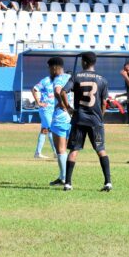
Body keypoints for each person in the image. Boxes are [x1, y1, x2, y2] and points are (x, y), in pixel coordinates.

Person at [62, 52, 112, 192]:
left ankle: (68, 183)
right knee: (101, 150)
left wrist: (69, 109)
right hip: (95, 120)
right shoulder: (102, 80)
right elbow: (104, 102)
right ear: (94, 63)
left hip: (79, 119)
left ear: (83, 62)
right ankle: (108, 182)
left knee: (74, 150)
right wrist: (100, 116)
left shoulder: (76, 76)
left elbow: (62, 92)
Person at [47, 57, 72, 186]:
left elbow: (58, 91)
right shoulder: (70, 77)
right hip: (72, 118)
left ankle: (63, 178)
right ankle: (65, 177)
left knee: (61, 150)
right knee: (67, 149)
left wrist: (62, 104)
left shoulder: (58, 78)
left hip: (60, 117)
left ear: (54, 68)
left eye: (50, 68)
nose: (49, 71)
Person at [31, 71, 58, 160]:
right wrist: (38, 101)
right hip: (45, 109)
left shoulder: (59, 81)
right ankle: (56, 152)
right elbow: (34, 89)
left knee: (44, 130)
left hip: (53, 109)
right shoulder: (46, 80)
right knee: (51, 129)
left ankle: (37, 153)